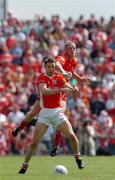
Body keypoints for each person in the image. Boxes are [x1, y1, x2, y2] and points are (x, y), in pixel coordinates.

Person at [12, 41, 91, 156]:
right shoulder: (62, 58)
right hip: (49, 91)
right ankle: (20, 128)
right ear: (66, 50)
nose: (73, 50)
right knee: (31, 114)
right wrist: (63, 72)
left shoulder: (73, 61)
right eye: (70, 48)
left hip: (61, 92)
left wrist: (80, 79)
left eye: (74, 48)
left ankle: (56, 145)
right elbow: (58, 64)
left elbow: (72, 72)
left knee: (61, 115)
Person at [18, 57, 85, 174]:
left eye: (53, 67)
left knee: (73, 136)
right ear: (45, 67)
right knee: (34, 143)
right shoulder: (42, 78)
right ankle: (24, 166)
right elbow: (44, 91)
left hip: (57, 112)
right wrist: (60, 90)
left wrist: (74, 89)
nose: (51, 69)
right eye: (49, 67)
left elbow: (68, 87)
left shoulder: (58, 77)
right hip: (45, 114)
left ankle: (78, 159)